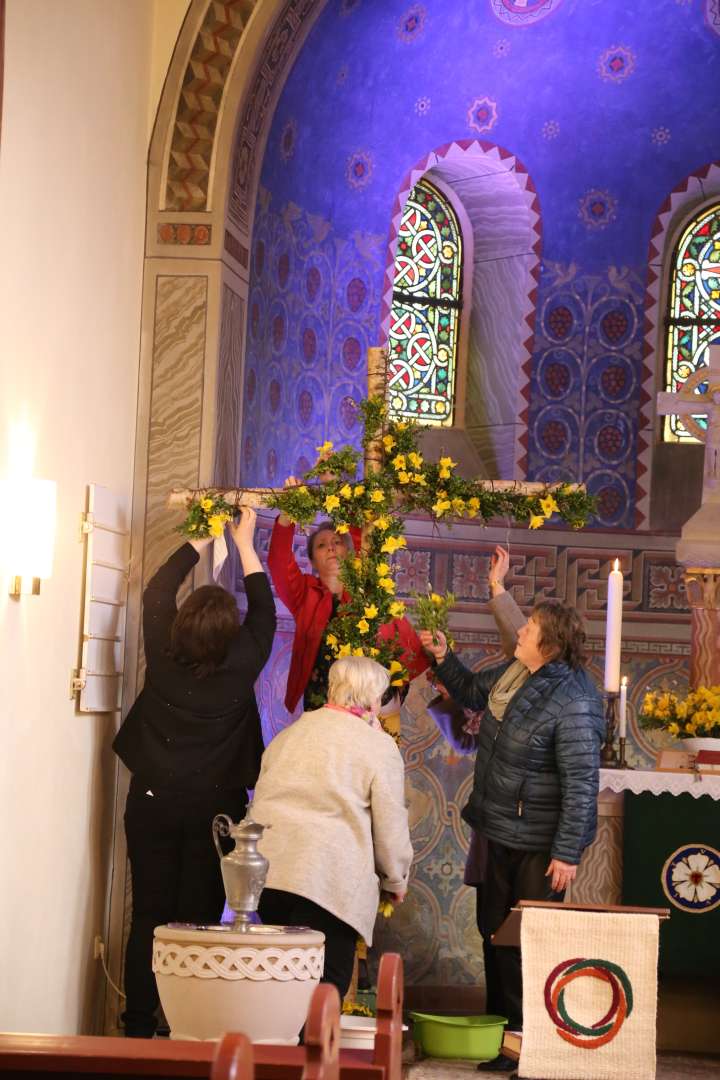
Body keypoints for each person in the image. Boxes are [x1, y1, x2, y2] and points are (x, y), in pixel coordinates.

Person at [419, 562, 604, 1074]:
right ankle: (502, 1038)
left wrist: (567, 851)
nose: (519, 631)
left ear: (549, 645)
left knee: (529, 943)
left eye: (528, 629)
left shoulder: (576, 699)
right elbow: (473, 693)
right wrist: (443, 657)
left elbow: (582, 784)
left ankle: (531, 1047)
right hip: (499, 826)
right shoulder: (516, 671)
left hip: (542, 844)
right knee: (494, 932)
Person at [113, 507, 276, 1037]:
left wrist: (202, 538)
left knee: (149, 917)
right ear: (229, 635)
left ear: (182, 625)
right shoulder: (243, 661)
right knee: (199, 921)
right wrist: (245, 543)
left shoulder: (164, 655)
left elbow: (157, 592)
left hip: (153, 802)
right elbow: (265, 613)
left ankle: (136, 1025)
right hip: (216, 811)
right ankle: (186, 1028)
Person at [252, 655, 413, 999]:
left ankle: (280, 1052)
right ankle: (309, 1054)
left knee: (283, 985)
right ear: (372, 697)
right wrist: (395, 879)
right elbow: (390, 821)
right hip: (328, 881)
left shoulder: (291, 733)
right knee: (325, 991)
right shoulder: (377, 745)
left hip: (271, 877)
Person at [268, 490, 429, 713]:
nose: (331, 547)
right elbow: (279, 564)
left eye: (337, 542)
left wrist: (333, 487)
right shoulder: (305, 593)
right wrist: (286, 518)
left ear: (348, 550)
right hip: (322, 700)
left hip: (368, 698)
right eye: (322, 545)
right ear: (313, 561)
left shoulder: (365, 585)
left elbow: (359, 536)